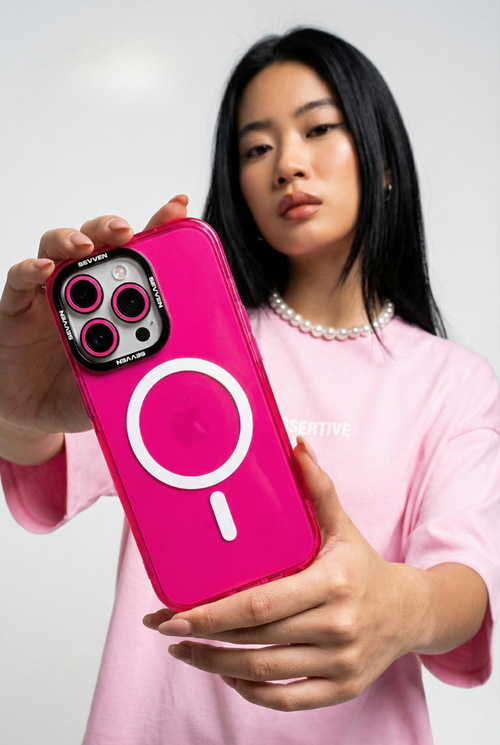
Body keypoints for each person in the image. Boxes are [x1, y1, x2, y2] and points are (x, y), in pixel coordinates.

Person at [1, 27, 499, 745]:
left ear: (385, 160)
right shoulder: (184, 340)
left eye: (318, 129)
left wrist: (403, 605)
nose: (287, 164)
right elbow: (43, 453)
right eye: (256, 148)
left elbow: (466, 580)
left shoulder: (452, 382)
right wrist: (14, 408)